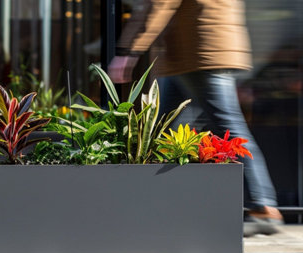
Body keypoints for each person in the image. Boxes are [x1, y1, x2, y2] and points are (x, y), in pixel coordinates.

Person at [108, 0, 283, 236]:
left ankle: (262, 204)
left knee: (221, 126)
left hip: (198, 53)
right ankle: (158, 205)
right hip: (201, 50)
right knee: (165, 131)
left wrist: (128, 51)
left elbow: (160, 4)